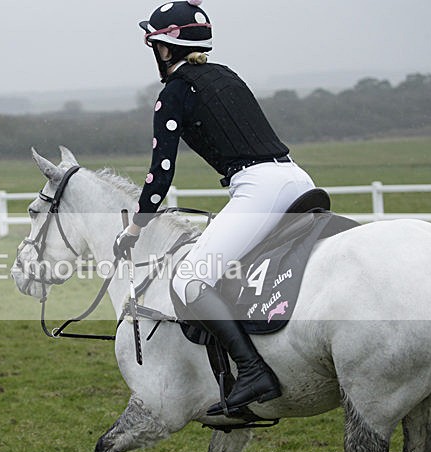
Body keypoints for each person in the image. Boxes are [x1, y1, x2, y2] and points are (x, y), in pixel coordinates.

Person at [114, 0, 316, 416]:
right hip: (298, 178)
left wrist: (133, 230)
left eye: (154, 45)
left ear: (165, 49)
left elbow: (159, 177)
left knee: (189, 281)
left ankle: (253, 370)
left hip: (258, 190)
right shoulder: (227, 75)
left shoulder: (173, 93)